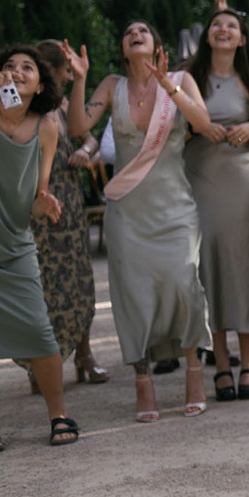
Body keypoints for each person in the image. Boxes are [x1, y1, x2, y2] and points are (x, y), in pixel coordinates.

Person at [69, 23, 219, 421]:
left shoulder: (180, 80)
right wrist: (81, 79)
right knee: (133, 295)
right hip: (128, 212)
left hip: (175, 209)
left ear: (156, 45)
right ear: (124, 48)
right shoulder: (111, 86)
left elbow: (203, 124)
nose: (135, 33)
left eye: (143, 31)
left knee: (184, 284)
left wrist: (168, 87)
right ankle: (142, 379)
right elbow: (78, 128)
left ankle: (194, 371)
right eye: (129, 32)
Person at [0, 50, 79, 449]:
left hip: (11, 245)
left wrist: (44, 203)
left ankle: (58, 415)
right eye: (9, 66)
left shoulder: (46, 127)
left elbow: (35, 197)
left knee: (39, 331)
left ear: (40, 86)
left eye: (27, 67)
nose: (16, 71)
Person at [186, 0, 249, 401]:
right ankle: (220, 362)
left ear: (241, 39)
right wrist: (198, 128)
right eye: (216, 25)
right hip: (198, 179)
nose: (223, 30)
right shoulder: (190, 78)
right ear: (207, 36)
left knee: (242, 266)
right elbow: (174, 130)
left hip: (240, 181)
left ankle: (248, 360)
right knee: (208, 267)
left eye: (231, 26)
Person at [33, 38, 109, 385]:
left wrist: (86, 152)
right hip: (37, 202)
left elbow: (89, 137)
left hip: (70, 201)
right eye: (65, 70)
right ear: (49, 69)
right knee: (44, 283)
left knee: (79, 278)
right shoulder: (27, 106)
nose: (68, 76)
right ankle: (40, 362)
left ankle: (84, 354)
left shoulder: (63, 102)